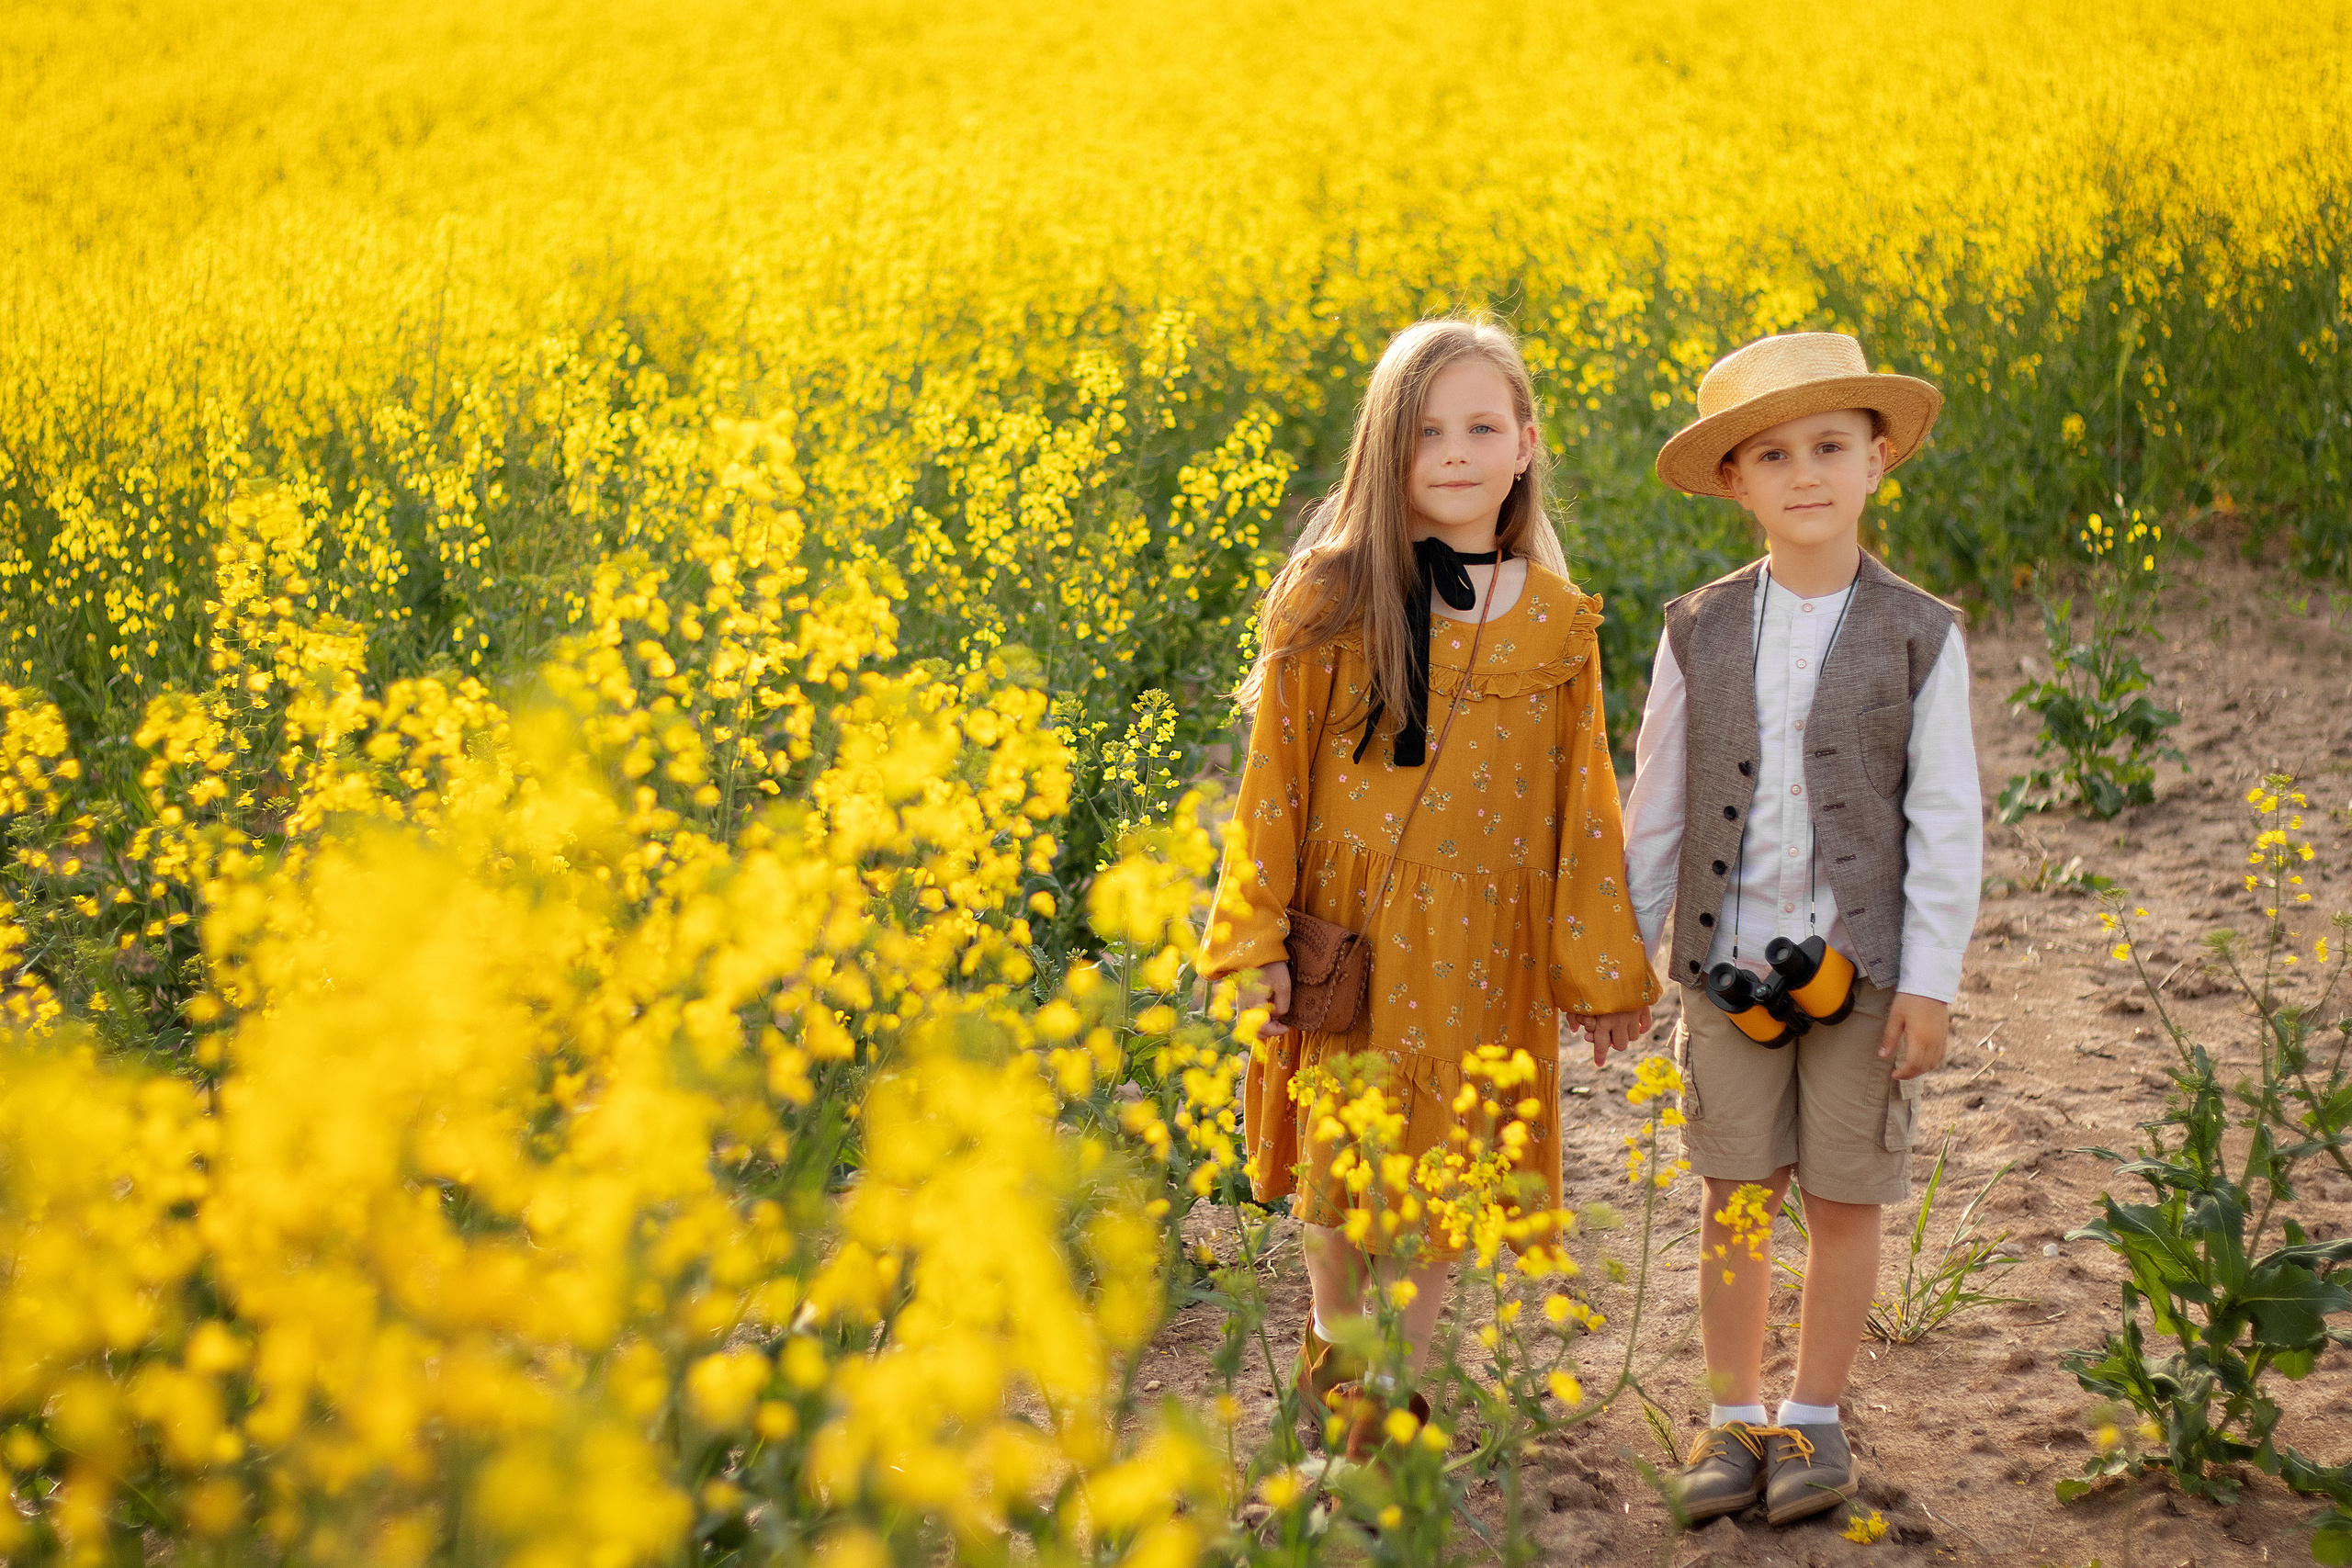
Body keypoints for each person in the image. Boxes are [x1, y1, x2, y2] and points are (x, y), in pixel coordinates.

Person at [1199, 315, 1658, 1460]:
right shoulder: (1330, 593)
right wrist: (1252, 940)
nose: (1455, 452)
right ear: (1384, 449)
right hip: (1349, 932)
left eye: (1481, 427)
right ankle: (1335, 1346)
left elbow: (1582, 808)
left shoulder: (1558, 624)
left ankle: (1394, 1386)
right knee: (1339, 1172)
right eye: (1427, 431)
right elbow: (1271, 783)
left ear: (1524, 446)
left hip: (1485, 950)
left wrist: (1601, 974)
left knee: (1448, 1171)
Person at [1624, 332, 1982, 1525]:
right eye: (1772, 454)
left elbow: (1946, 819)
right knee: (1733, 1193)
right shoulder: (1699, 628)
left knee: (1842, 1198)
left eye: (1830, 445)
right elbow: (1656, 806)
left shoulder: (1923, 632)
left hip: (1866, 972)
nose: (1805, 473)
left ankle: (1815, 1416)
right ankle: (1734, 1418)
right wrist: (1628, 957)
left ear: (1878, 459)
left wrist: (1927, 982)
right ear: (1735, 481)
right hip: (1723, 965)